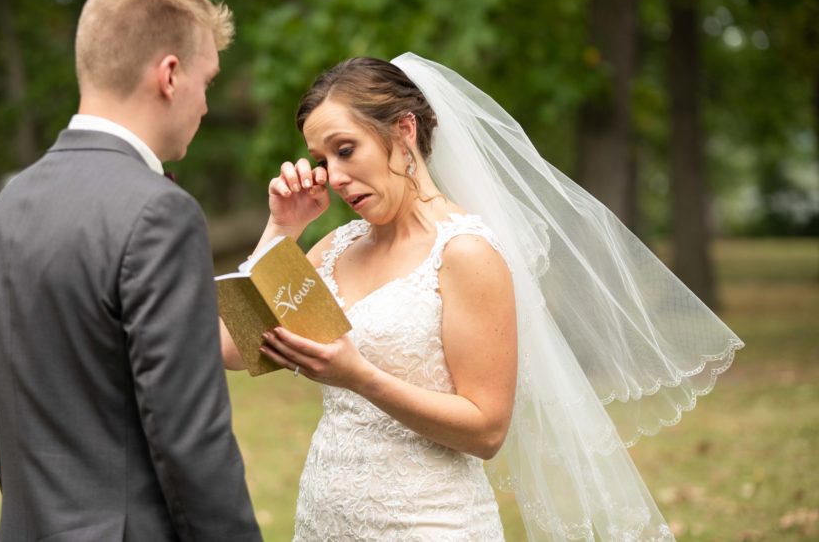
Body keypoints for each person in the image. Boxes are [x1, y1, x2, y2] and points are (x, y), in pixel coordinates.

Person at [221, 54, 743, 541]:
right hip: (323, 519)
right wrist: (281, 230)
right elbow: (231, 349)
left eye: (345, 149)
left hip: (428, 523)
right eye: (320, 159)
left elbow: (487, 429)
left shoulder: (465, 253)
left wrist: (359, 377)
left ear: (403, 130)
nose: (333, 177)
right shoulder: (337, 248)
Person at [0, 0, 261, 542]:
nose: (205, 105)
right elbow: (190, 438)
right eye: (208, 81)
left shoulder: (4, 210)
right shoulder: (159, 212)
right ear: (170, 75)